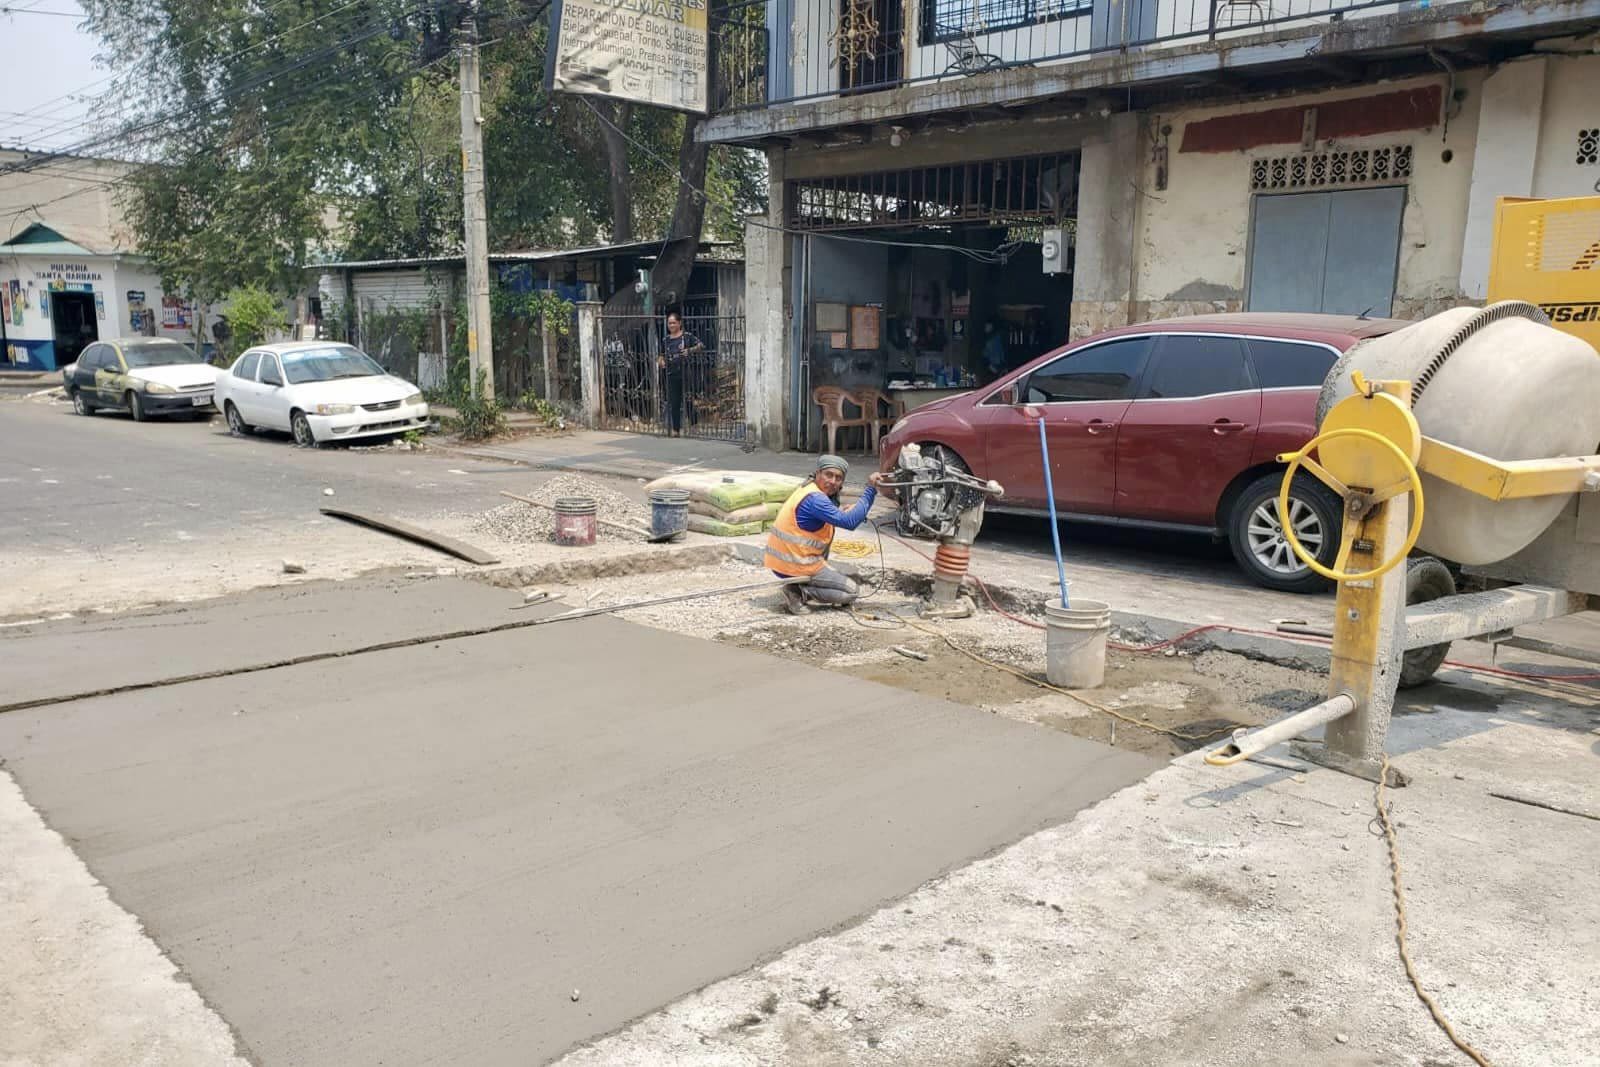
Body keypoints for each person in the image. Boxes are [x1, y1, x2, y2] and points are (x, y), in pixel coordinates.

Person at [764, 455, 886, 615]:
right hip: (796, 564)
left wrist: (847, 512)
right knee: (851, 591)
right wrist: (870, 490)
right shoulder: (816, 499)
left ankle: (798, 586)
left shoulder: (808, 488)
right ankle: (799, 592)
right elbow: (849, 522)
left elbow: (830, 517)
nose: (833, 481)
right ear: (818, 473)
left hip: (783, 562)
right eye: (829, 475)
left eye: (838, 478)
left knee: (840, 584)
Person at [658, 310, 703, 437]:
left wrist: (689, 350)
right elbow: (660, 355)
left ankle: (694, 425)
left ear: (679, 323)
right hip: (671, 373)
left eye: (673, 323)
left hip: (685, 372)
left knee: (688, 399)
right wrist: (661, 361)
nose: (671, 325)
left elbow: (701, 345)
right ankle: (676, 429)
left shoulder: (687, 336)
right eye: (669, 323)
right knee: (674, 402)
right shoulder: (666, 340)